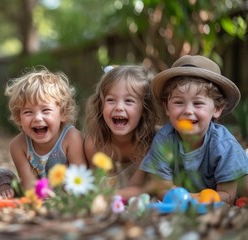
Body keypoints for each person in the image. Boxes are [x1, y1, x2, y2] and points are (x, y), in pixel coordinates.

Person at [139, 55, 248, 204]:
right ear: (166, 107)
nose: (188, 110)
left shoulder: (223, 144)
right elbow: (163, 190)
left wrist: (191, 198)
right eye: (178, 102)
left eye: (197, 103)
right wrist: (191, 199)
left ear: (217, 109)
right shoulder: (164, 139)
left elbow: (227, 196)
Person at [4, 67, 87, 190]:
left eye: (46, 110)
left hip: (70, 200)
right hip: (41, 199)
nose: (37, 118)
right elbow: (30, 188)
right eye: (28, 112)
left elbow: (81, 183)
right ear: (19, 116)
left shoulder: (72, 138)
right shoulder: (18, 146)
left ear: (63, 113)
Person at [83, 65, 158, 198]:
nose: (119, 107)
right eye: (110, 100)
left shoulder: (152, 141)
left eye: (129, 101)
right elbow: (91, 188)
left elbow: (143, 188)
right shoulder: (94, 144)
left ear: (145, 110)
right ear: (101, 105)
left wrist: (108, 197)